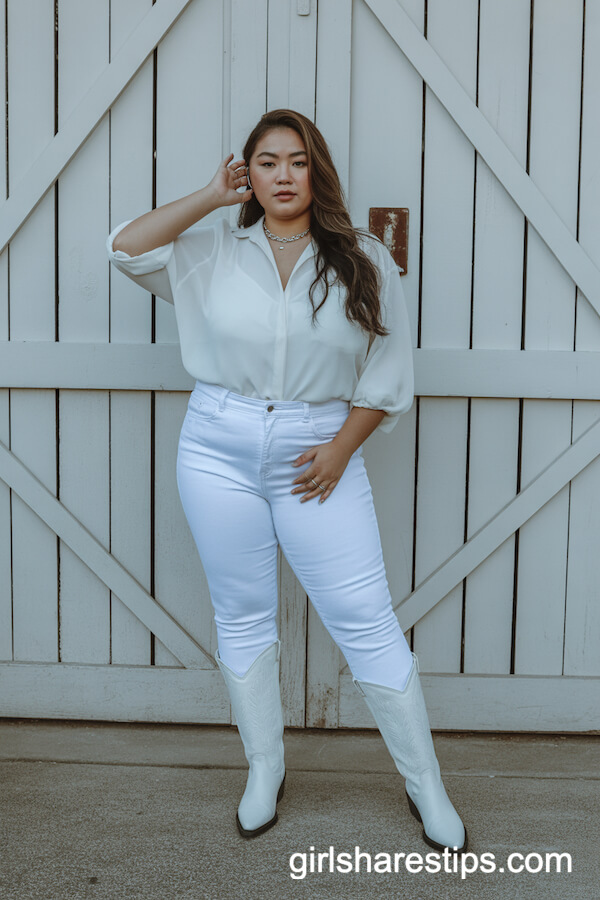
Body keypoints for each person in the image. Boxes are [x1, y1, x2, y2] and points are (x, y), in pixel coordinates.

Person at [106, 109, 467, 853]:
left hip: (316, 452)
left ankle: (426, 784)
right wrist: (210, 196)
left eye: (296, 162)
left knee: (366, 620)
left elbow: (389, 376)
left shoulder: (362, 256)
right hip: (218, 447)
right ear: (248, 173)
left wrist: (339, 449)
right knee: (242, 615)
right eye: (265, 162)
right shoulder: (210, 249)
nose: (281, 175)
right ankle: (265, 769)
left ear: (316, 171)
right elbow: (123, 248)